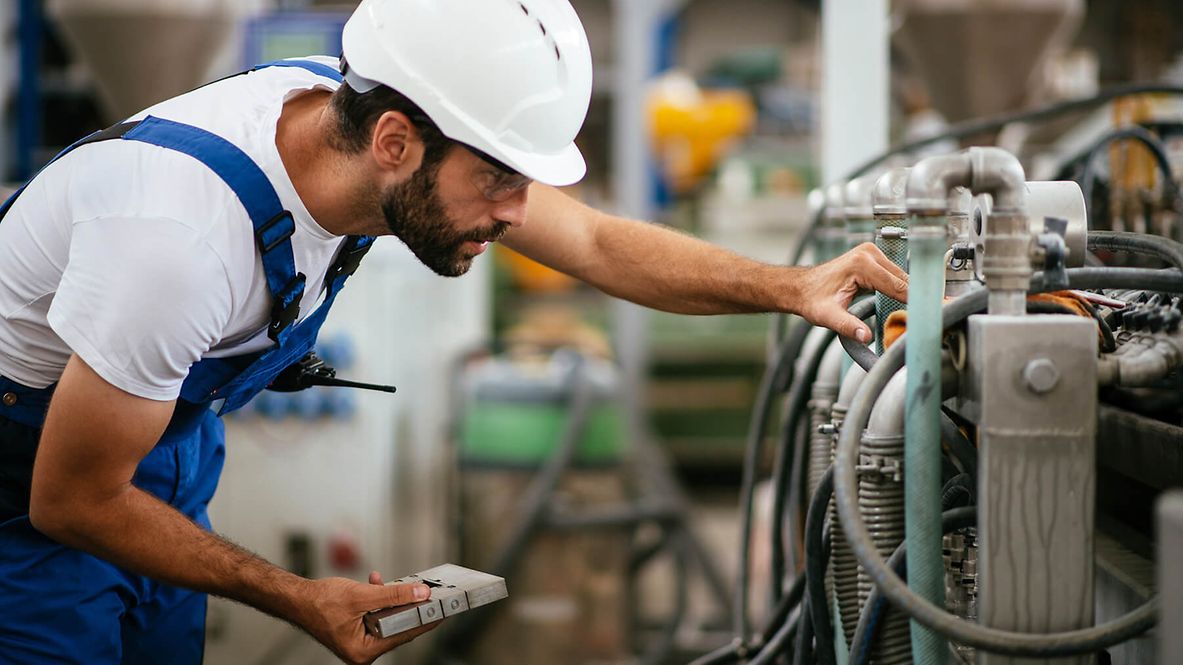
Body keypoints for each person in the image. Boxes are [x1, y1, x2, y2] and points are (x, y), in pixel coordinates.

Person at [0, 1, 908, 663]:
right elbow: (72, 501)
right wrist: (301, 597)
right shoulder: (180, 244)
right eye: (499, 181)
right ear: (394, 141)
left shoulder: (348, 125)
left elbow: (590, 238)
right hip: (39, 495)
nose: (519, 214)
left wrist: (791, 285)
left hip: (156, 451)